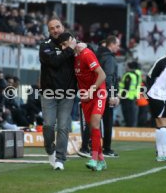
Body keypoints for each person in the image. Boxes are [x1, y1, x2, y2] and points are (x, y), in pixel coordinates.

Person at [58, 32, 107, 171]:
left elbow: (102, 74)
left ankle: (93, 159)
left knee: (96, 122)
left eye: (64, 44)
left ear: (71, 41)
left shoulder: (86, 53)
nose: (63, 48)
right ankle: (101, 159)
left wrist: (92, 90)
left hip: (98, 92)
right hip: (85, 96)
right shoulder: (72, 56)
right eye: (61, 46)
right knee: (92, 127)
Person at [39, 17, 77, 171]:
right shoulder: (44, 46)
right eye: (52, 28)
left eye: (57, 26)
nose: (55, 30)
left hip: (68, 93)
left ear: (63, 26)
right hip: (48, 93)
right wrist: (69, 49)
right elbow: (54, 62)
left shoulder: (73, 43)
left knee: (63, 127)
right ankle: (50, 150)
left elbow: (88, 55)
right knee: (48, 125)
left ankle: (60, 159)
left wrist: (83, 46)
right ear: (49, 31)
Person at [95, 35, 120, 157]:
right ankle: (107, 148)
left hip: (97, 92)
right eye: (117, 44)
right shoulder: (109, 59)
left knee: (95, 121)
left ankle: (89, 146)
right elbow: (109, 77)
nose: (118, 47)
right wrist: (112, 95)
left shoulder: (99, 56)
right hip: (105, 93)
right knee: (107, 121)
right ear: (112, 44)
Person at [119, 61, 141, 127]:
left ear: (129, 67)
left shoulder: (128, 75)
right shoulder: (137, 74)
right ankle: (131, 129)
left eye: (126, 66)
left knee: (127, 115)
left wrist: (121, 97)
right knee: (133, 115)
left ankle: (128, 129)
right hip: (134, 97)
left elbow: (126, 88)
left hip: (127, 97)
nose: (125, 68)